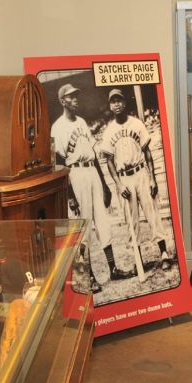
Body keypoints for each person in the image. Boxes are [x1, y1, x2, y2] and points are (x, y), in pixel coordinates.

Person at [51, 83, 120, 293]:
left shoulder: (81, 121)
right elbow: (59, 163)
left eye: (76, 96)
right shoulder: (57, 127)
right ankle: (88, 277)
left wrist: (106, 185)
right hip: (75, 175)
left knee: (103, 221)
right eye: (71, 97)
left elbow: (93, 153)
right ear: (63, 101)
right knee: (83, 228)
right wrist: (69, 194)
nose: (75, 100)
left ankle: (114, 268)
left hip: (92, 172)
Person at [98, 88, 171, 277]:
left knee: (152, 213)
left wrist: (153, 177)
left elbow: (147, 153)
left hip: (140, 173)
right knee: (131, 220)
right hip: (124, 178)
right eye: (113, 101)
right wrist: (118, 185)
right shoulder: (109, 131)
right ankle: (139, 261)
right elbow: (109, 162)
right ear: (110, 105)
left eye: (119, 100)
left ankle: (163, 253)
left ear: (124, 103)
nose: (116, 104)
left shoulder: (137, 123)